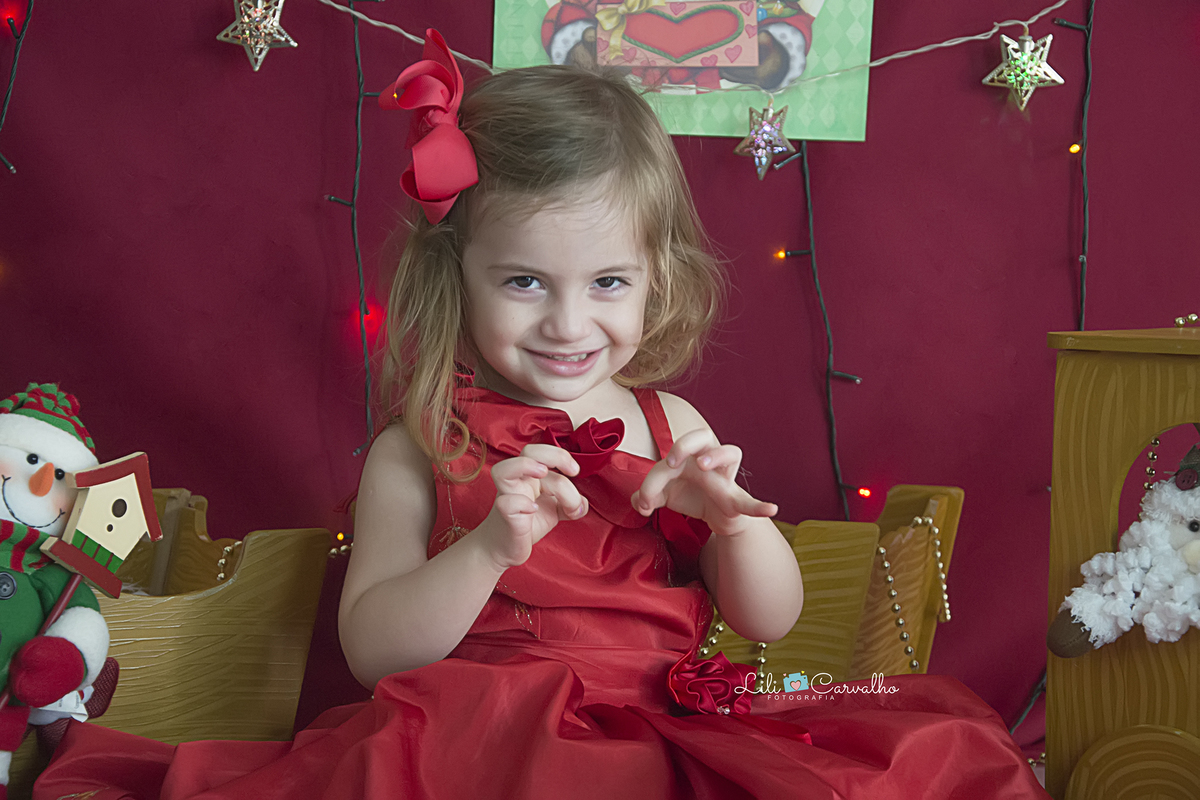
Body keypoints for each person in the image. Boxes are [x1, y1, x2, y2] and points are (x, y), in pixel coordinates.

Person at [34, 30, 1049, 800]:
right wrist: (487, 547)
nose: (569, 323)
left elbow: (769, 619)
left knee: (930, 749)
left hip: (669, 719)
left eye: (608, 282)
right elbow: (376, 650)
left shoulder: (669, 420)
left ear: (656, 281)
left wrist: (736, 523)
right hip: (477, 730)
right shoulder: (421, 444)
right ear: (459, 275)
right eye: (524, 281)